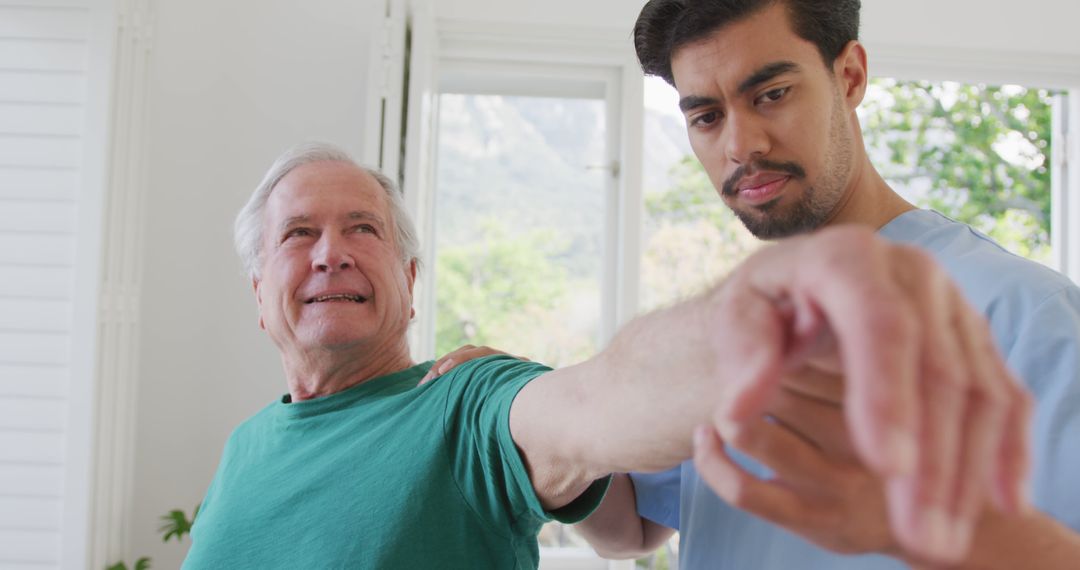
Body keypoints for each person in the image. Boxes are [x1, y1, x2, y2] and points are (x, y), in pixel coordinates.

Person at [181, 141, 1026, 568]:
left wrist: (789, 303)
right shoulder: (245, 448)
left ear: (406, 279)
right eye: (300, 234)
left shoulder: (465, 404)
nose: (331, 252)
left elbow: (602, 402)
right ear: (259, 294)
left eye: (360, 228)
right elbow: (629, 528)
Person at [567, 1, 1080, 568]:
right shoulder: (726, 328)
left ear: (850, 76)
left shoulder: (1026, 314)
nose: (742, 145)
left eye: (772, 95)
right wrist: (520, 406)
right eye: (707, 117)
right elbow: (631, 526)